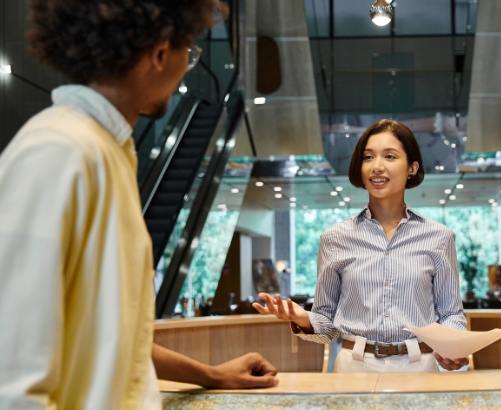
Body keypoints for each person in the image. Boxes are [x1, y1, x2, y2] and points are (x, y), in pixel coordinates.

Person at [0, 1, 277, 409]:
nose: (188, 65)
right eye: (191, 52)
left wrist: (213, 374)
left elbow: (113, 332)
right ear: (160, 54)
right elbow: (14, 378)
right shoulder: (58, 152)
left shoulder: (105, 152)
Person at [253, 120, 469, 372]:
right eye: (368, 157)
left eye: (389, 156)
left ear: (412, 167)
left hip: (419, 364)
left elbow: (452, 313)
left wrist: (452, 347)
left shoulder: (439, 236)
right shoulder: (335, 238)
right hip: (354, 367)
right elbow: (326, 325)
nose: (377, 167)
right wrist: (303, 317)